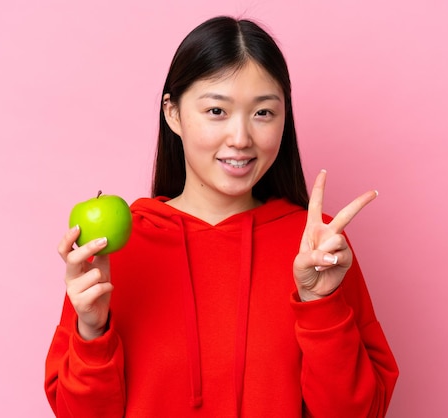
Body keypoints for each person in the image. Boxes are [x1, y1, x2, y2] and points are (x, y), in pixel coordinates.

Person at [45, 15, 398, 417]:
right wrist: (91, 331)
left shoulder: (318, 247)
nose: (241, 138)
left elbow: (360, 412)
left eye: (263, 113)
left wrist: (321, 305)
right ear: (173, 113)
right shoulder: (114, 250)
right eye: (216, 110)